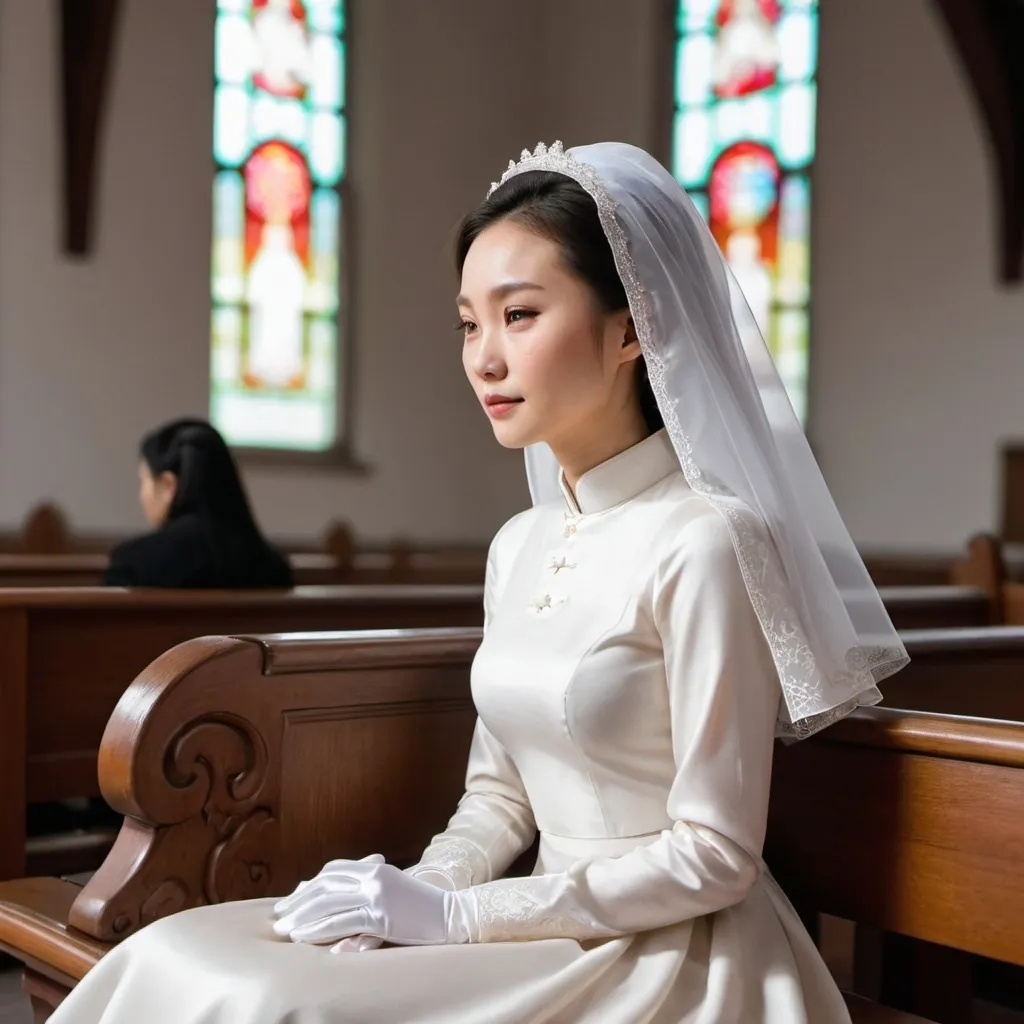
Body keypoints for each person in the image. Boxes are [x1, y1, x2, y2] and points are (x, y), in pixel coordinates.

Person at [53, 142, 907, 1023]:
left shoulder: (707, 540)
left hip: (667, 953)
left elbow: (716, 855)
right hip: (532, 924)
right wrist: (412, 891)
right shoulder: (517, 545)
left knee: (282, 1006)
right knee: (179, 956)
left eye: (520, 315)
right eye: (469, 323)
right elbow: (499, 795)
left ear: (630, 329)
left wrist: (461, 916)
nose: (484, 359)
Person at [104, 418, 293, 589]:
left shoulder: (133, 564)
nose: (142, 496)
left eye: (143, 481)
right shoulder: (274, 568)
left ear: (169, 485)